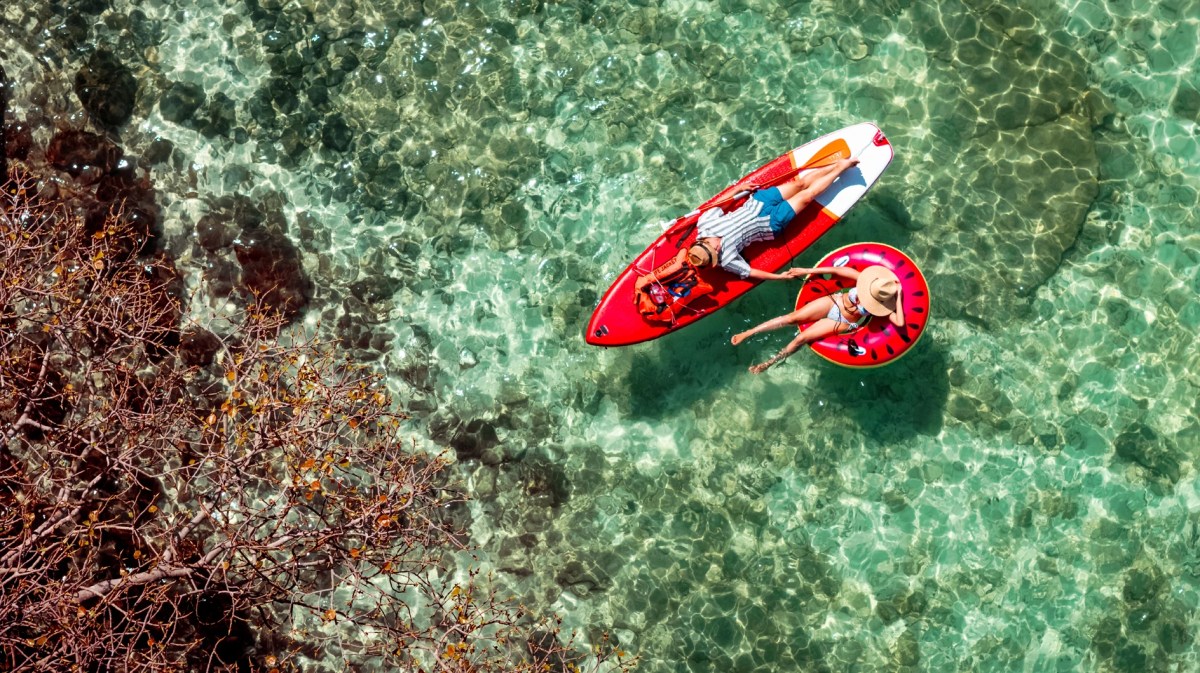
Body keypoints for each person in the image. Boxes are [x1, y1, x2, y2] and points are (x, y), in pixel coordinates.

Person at [634, 157, 861, 288]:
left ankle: (836, 165)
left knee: (799, 185)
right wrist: (778, 276)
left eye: (714, 250)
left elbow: (722, 204)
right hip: (771, 223)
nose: (718, 251)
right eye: (716, 255)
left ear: (706, 243)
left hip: (758, 202)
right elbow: (750, 272)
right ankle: (841, 168)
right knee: (806, 196)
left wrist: (738, 189)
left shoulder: (705, 225)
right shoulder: (725, 260)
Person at [732, 264, 904, 374]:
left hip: (843, 322)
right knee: (792, 318)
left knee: (801, 338)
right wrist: (806, 270)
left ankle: (769, 363)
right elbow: (835, 270)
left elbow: (900, 322)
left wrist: (898, 297)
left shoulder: (884, 305)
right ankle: (750, 332)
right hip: (834, 301)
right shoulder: (863, 279)